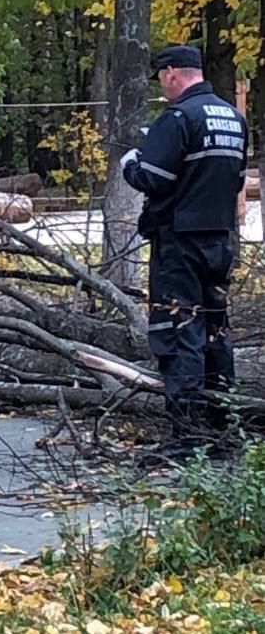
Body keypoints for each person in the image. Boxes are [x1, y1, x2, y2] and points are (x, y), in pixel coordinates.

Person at [120, 45, 248, 447]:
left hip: (179, 242)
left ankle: (187, 437)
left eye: (161, 76)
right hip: (218, 239)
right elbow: (237, 178)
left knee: (180, 331)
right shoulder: (232, 117)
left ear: (173, 72)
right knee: (215, 329)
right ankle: (223, 426)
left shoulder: (178, 118)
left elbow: (154, 179)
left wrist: (130, 164)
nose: (161, 84)